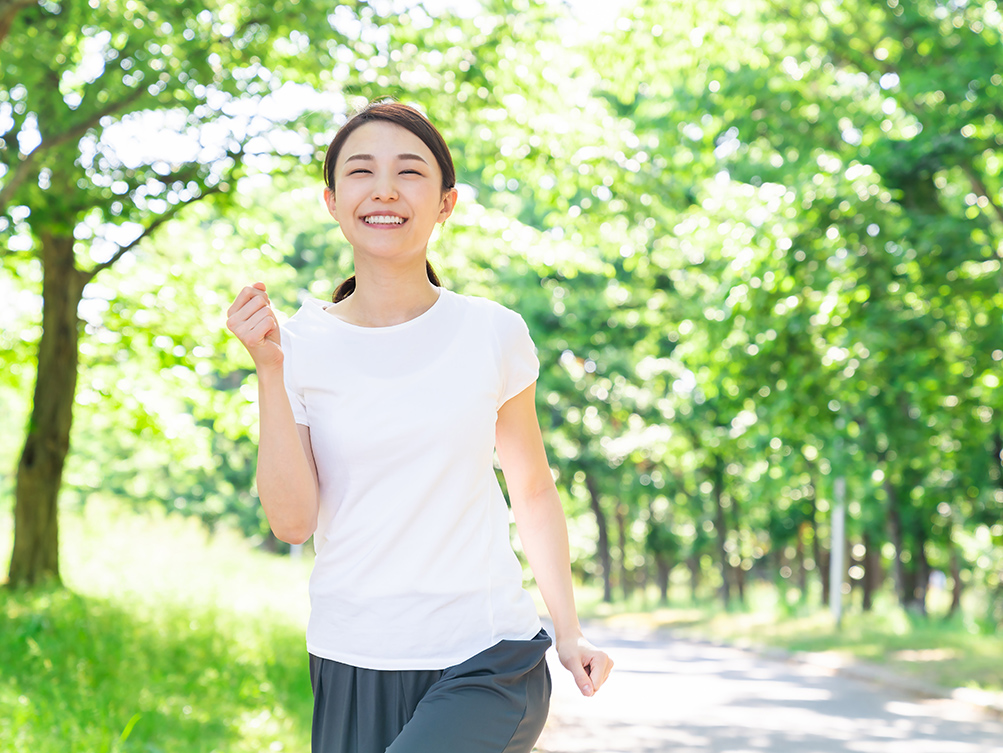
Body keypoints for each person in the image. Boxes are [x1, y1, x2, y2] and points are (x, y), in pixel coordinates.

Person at [225, 101, 612, 753]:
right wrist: (268, 369)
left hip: (485, 658)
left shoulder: (491, 331)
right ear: (331, 199)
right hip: (350, 656)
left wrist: (567, 630)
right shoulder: (296, 344)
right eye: (360, 172)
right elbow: (292, 523)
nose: (383, 190)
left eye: (408, 172)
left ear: (445, 203)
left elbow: (534, 490)